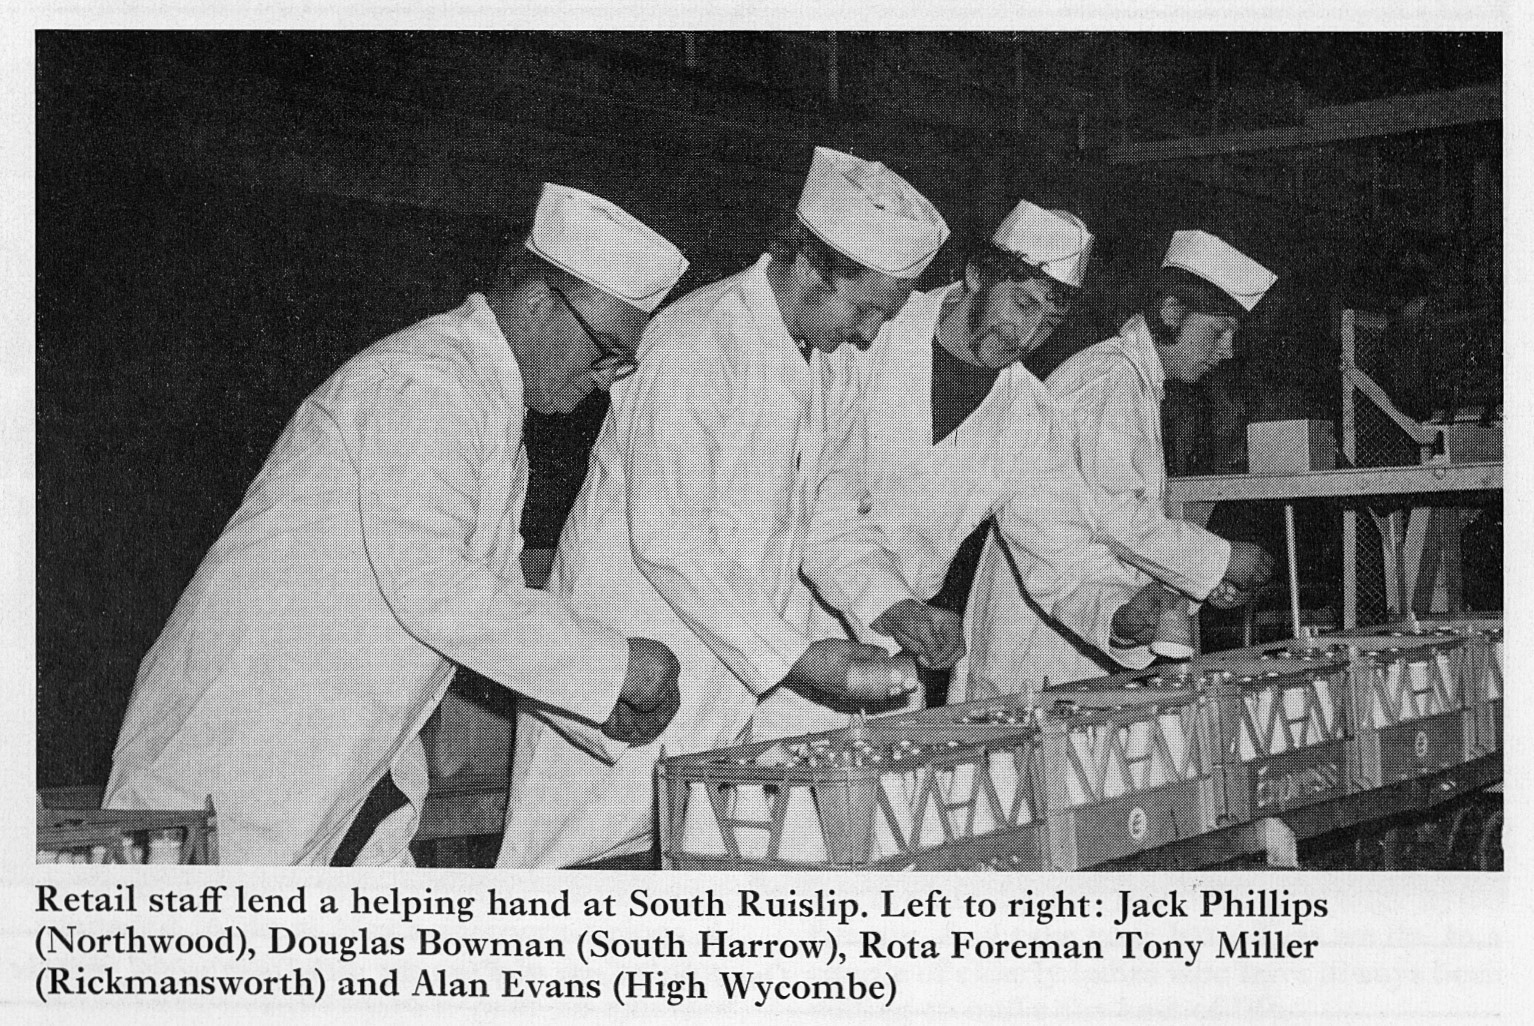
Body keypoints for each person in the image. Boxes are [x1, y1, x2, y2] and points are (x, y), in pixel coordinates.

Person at [104, 184, 690, 866]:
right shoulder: (426, 385)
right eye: (605, 350)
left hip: (341, 768)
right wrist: (615, 665)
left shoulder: (490, 418)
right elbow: (436, 590)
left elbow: (496, 611)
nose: (606, 379)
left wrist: (598, 704)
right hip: (240, 755)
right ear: (537, 304)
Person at [497, 146, 961, 869]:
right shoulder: (697, 343)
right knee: (581, 880)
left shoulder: (828, 362)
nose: (871, 335)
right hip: (630, 674)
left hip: (724, 693)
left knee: (699, 879)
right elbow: (669, 539)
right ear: (811, 268)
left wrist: (892, 603)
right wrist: (797, 657)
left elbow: (827, 513)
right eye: (865, 309)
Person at [793, 200, 1205, 721]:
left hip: (897, 658)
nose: (1026, 337)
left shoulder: (1030, 416)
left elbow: (1061, 551)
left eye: (1049, 322)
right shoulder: (864, 338)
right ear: (975, 274)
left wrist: (1121, 615)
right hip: (796, 638)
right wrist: (891, 604)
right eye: (1022, 304)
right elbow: (822, 508)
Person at [962, 228, 1278, 700]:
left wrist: (1195, 584)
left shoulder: (1131, 383)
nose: (1227, 351)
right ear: (1171, 312)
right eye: (1217, 331)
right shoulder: (1109, 382)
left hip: (1079, 630)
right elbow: (1118, 519)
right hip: (1040, 646)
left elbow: (1106, 525)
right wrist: (1224, 559)